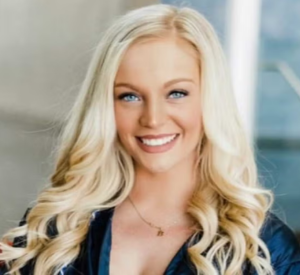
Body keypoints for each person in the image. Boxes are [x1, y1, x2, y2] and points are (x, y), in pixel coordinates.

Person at [1, 4, 300, 275]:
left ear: (210, 99)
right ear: (106, 106)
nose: (153, 118)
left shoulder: (265, 248)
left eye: (176, 93)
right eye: (129, 96)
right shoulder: (59, 228)